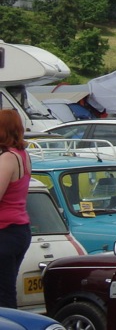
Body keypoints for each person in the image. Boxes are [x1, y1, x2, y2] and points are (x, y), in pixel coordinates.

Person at [0, 110, 31, 308]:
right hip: (20, 229)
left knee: (3, 293)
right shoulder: (23, 155)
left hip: (5, 230)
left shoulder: (8, 158)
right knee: (7, 287)